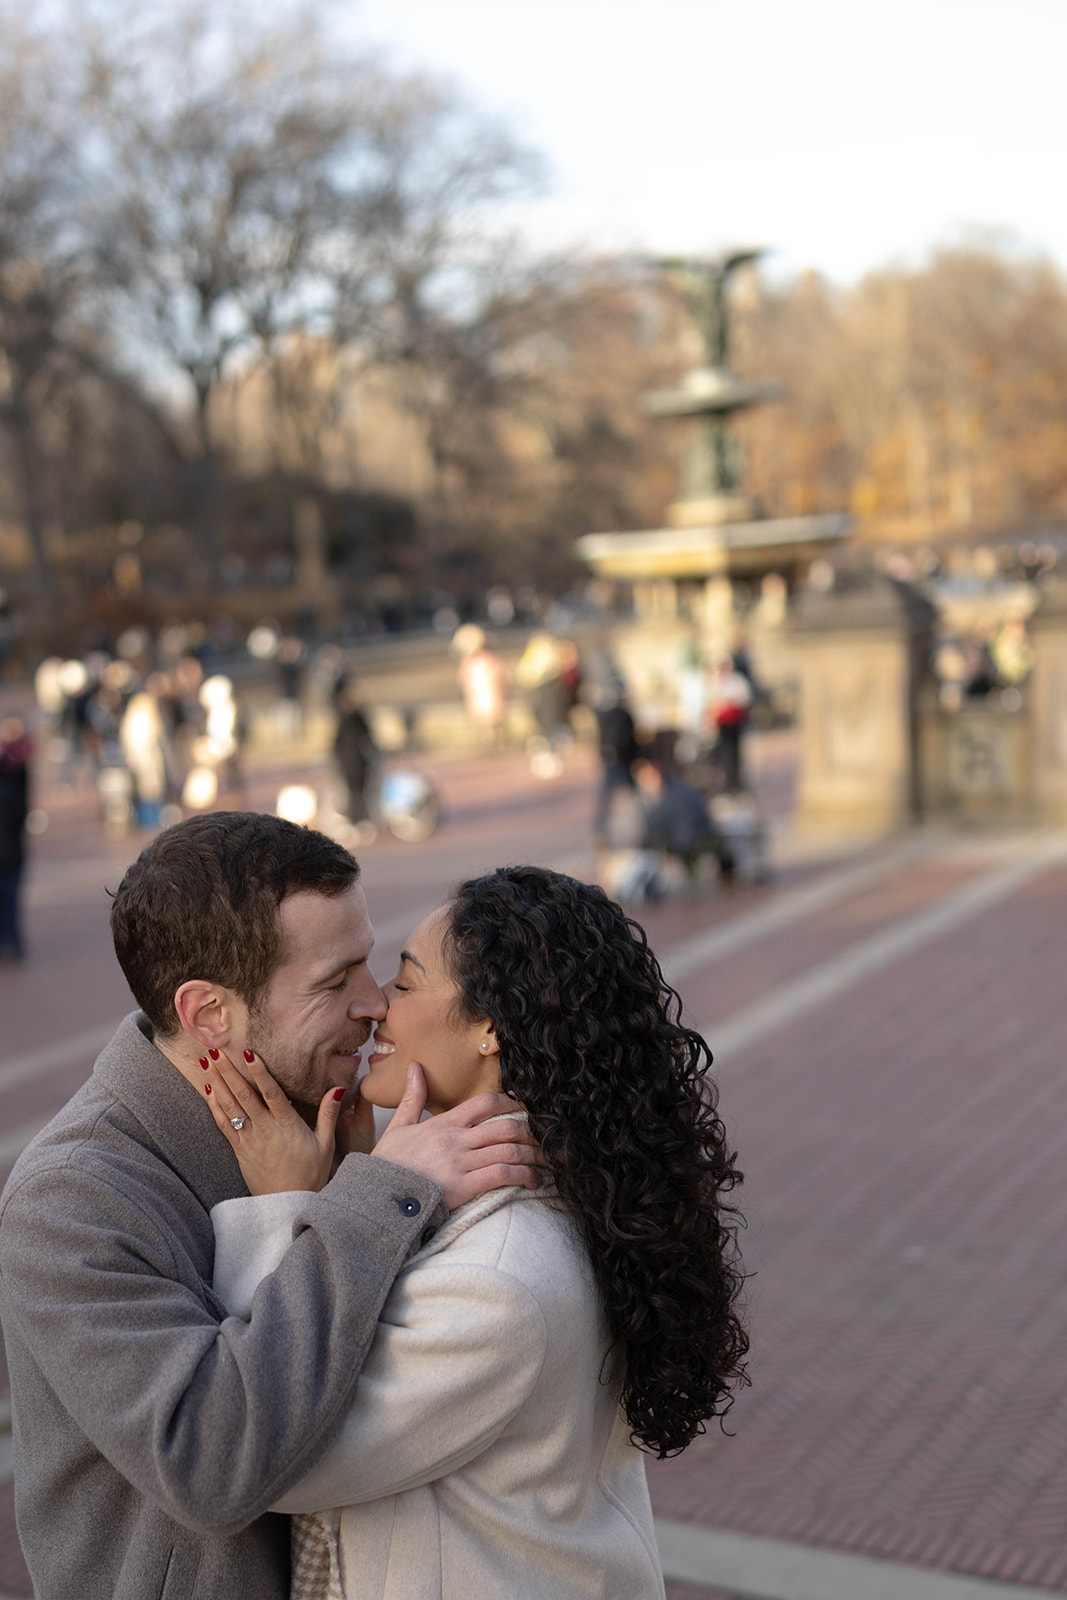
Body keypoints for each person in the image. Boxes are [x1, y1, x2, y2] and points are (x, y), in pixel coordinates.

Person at [0, 813, 541, 1600]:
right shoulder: (74, 1201)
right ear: (208, 1014)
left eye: (369, 964)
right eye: (333, 981)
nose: (373, 1005)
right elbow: (207, 1461)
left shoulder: (347, 1116)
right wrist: (356, 1207)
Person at [203, 864, 749, 1599]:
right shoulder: (568, 1176)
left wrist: (287, 1208)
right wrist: (363, 1183)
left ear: (491, 1027)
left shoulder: (497, 1279)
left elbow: (273, 1460)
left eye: (403, 985)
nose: (374, 1010)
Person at [0, 713, 31, 960]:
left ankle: (12, 940)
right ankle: (12, 940)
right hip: (11, 846)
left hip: (11, 847)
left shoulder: (20, 767)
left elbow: (22, 810)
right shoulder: (17, 766)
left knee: (11, 896)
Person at [332, 675, 379, 839]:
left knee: (362, 793)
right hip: (349, 761)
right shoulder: (344, 718)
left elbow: (369, 736)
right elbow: (337, 742)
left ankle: (363, 820)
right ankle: (353, 821)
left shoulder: (359, 716)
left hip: (360, 760)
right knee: (350, 794)